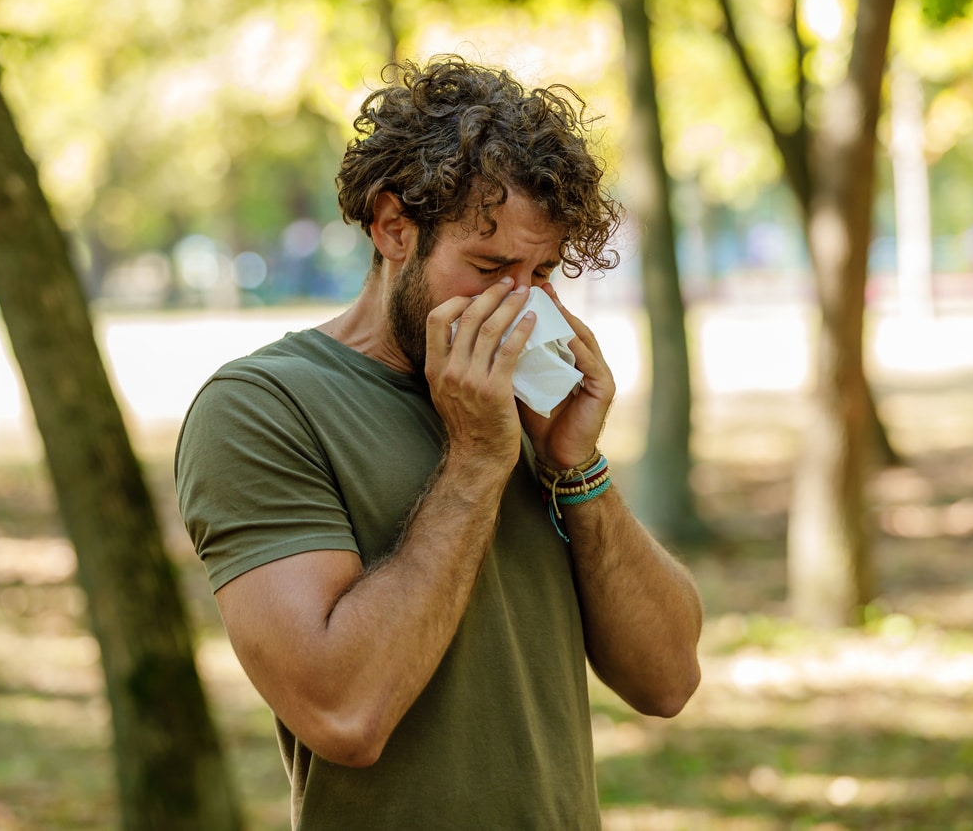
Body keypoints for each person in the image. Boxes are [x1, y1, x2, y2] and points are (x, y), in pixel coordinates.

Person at [175, 55, 703, 830]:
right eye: (490, 267)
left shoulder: (528, 400)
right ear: (393, 227)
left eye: (543, 272)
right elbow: (345, 712)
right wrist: (478, 459)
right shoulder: (261, 408)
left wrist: (578, 467)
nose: (519, 305)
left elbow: (668, 681)